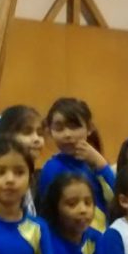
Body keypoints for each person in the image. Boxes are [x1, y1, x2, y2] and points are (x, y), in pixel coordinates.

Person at [38, 98, 114, 232]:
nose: (67, 134)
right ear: (49, 131)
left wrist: (101, 164)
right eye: (59, 128)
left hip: (100, 237)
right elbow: (47, 214)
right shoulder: (51, 168)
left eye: (74, 127)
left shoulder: (96, 164)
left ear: (89, 128)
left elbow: (119, 196)